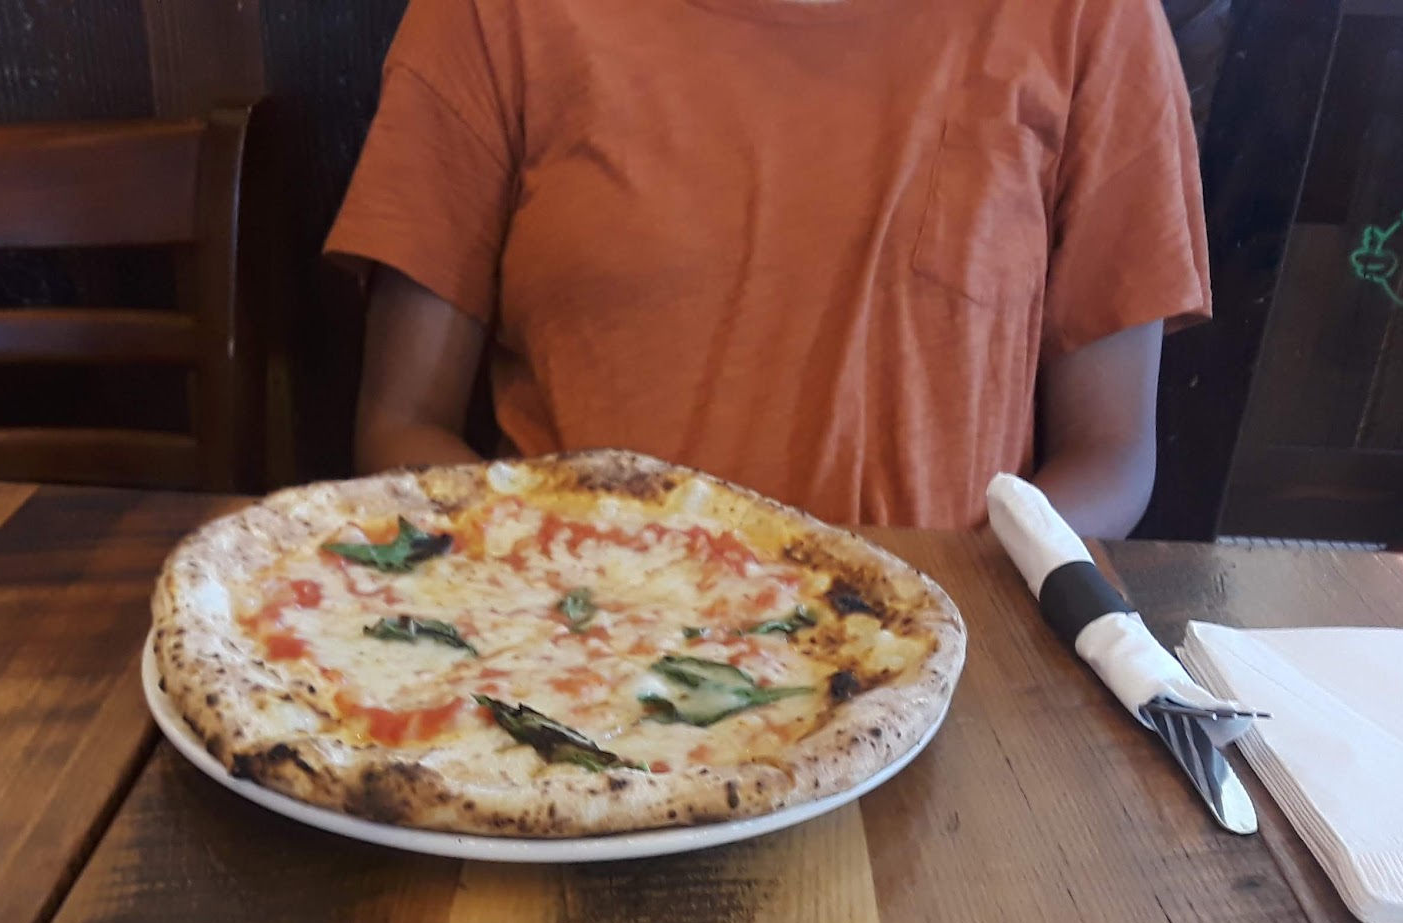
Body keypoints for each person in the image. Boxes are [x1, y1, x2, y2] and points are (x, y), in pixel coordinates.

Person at [325, 0, 1212, 538]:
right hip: (571, 661)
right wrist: (572, 583)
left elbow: (1111, 455)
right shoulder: (488, 17)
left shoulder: (1091, 21)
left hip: (957, 672)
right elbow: (401, 427)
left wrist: (950, 606)